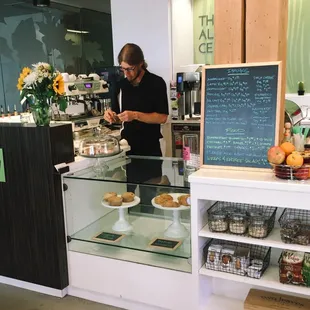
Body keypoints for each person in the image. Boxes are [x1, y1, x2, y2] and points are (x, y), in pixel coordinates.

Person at [104, 43, 169, 157]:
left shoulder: (156, 83)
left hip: (150, 148)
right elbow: (118, 118)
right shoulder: (121, 85)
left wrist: (135, 115)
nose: (126, 73)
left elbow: (162, 117)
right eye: (123, 69)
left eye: (130, 69)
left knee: (152, 176)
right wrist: (111, 116)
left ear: (141, 63)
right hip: (126, 148)